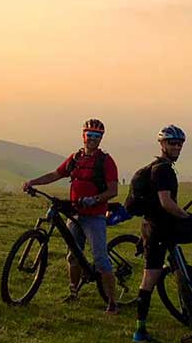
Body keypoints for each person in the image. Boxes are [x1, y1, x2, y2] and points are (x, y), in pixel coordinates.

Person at [22, 119, 121, 313]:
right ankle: (74, 292)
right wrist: (32, 182)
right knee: (72, 256)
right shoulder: (75, 158)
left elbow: (113, 190)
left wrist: (95, 199)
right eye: (89, 135)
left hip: (94, 216)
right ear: (83, 135)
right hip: (75, 213)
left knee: (100, 259)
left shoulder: (106, 161)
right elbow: (55, 175)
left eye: (96, 136)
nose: (92, 139)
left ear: (101, 139)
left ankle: (112, 303)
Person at [132, 125, 192, 343]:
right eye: (172, 143)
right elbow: (166, 202)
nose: (177, 147)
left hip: (150, 229)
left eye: (180, 144)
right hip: (168, 228)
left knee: (148, 281)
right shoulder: (164, 170)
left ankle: (139, 331)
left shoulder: (151, 168)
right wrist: (186, 216)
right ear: (162, 144)